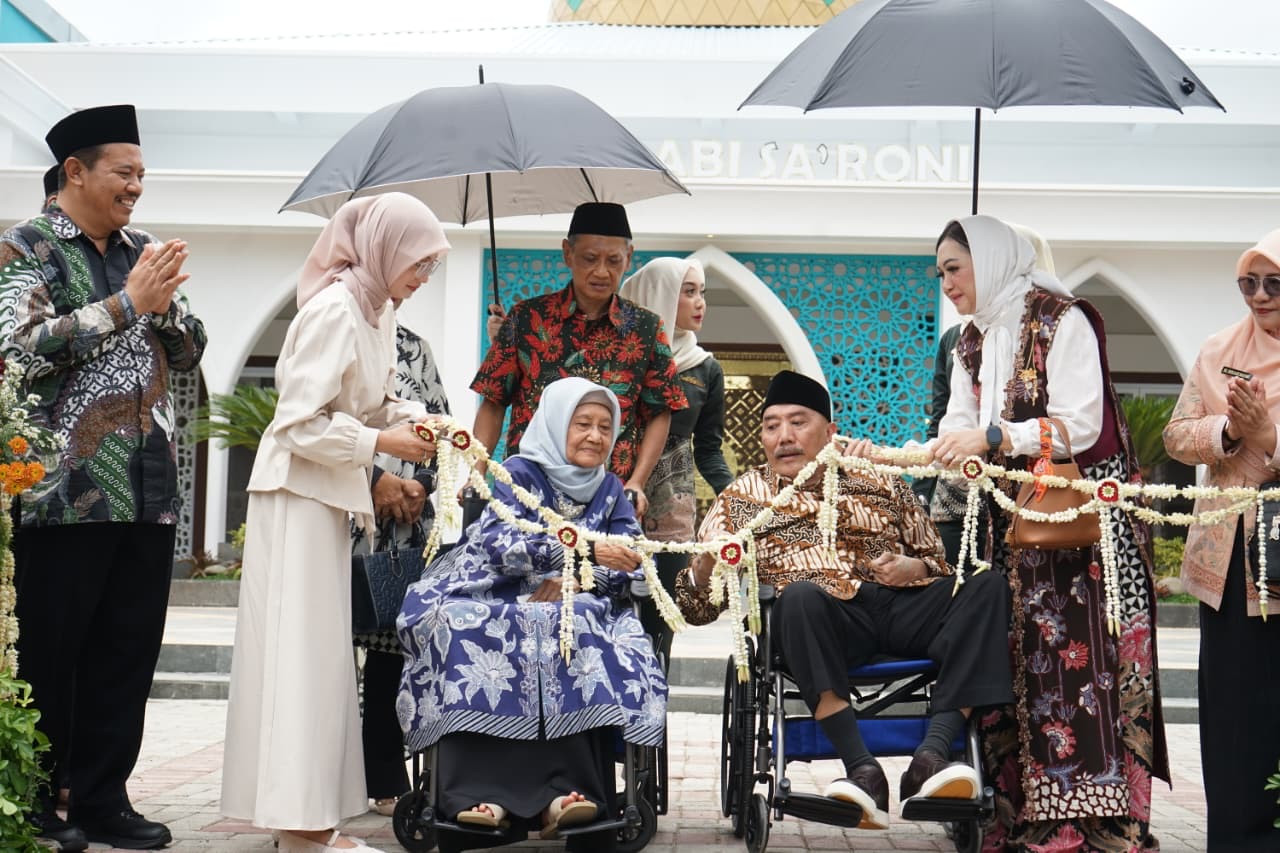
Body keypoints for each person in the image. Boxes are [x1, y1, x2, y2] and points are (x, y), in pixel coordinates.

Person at [676, 370, 1014, 830]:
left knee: (987, 585)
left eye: (798, 422)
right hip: (821, 622)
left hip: (897, 606)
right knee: (796, 598)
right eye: (772, 426)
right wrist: (704, 564)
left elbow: (938, 561)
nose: (784, 437)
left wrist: (914, 568)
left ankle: (930, 757)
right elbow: (695, 609)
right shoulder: (740, 500)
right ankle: (862, 769)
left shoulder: (877, 478)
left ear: (831, 432)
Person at [0, 103, 206, 851]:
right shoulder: (23, 247)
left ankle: (102, 799)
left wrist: (167, 311)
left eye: (143, 175)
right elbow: (19, 350)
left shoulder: (140, 248)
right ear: (75, 172)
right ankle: (33, 807)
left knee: (126, 652)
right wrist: (127, 306)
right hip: (61, 493)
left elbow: (188, 352)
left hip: (148, 490)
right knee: (51, 655)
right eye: (125, 173)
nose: (137, 188)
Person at [930, 215, 1168, 851]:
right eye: (941, 273)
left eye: (955, 267)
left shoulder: (1064, 320)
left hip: (1080, 530)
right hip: (1010, 528)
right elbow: (959, 420)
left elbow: (1081, 426)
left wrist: (998, 435)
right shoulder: (970, 341)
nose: (947, 283)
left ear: (991, 258)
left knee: (1079, 669)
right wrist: (942, 448)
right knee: (1015, 666)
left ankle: (1089, 828)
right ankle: (1016, 822)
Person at [220, 193, 447, 853]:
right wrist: (382, 446)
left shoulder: (375, 310)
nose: (423, 277)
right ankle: (301, 829)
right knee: (301, 662)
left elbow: (370, 399)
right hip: (296, 498)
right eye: (420, 262)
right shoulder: (331, 310)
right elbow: (296, 422)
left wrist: (414, 418)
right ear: (385, 249)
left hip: (327, 499)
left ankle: (310, 824)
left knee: (319, 666)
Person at [398, 377, 668, 853]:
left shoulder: (610, 488)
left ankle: (565, 796)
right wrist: (582, 553)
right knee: (468, 626)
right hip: (490, 590)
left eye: (606, 427)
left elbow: (628, 561)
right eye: (582, 423)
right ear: (555, 423)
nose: (595, 436)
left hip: (575, 599)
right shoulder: (518, 472)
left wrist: (578, 579)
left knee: (574, 622)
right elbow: (500, 546)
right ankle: (478, 796)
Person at [1163, 227, 1280, 851]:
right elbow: (1178, 436)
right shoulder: (1217, 350)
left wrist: (1270, 440)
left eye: (1274, 283)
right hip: (1230, 561)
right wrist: (1230, 430)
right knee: (1233, 713)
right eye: (1248, 283)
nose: (1259, 296)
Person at [470, 202, 688, 517]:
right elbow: (493, 400)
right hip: (529, 494)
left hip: (611, 498)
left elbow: (660, 411)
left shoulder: (646, 328)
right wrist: (477, 471)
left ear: (628, 257)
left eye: (613, 260)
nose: (602, 271)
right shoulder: (526, 318)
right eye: (590, 258)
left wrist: (638, 482)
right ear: (567, 254)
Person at [350, 322, 451, 817]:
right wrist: (376, 482)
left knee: (391, 652)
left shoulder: (415, 346)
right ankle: (330, 775)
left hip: (406, 530)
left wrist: (420, 488)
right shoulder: (342, 329)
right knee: (336, 660)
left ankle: (386, 778)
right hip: (345, 517)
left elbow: (442, 425)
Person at [619, 256, 733, 667]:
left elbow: (708, 449)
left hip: (672, 517)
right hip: (612, 502)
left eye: (702, 292)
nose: (700, 302)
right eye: (689, 292)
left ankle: (652, 729)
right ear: (660, 295)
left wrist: (737, 497)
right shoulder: (620, 357)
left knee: (658, 628)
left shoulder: (705, 368)